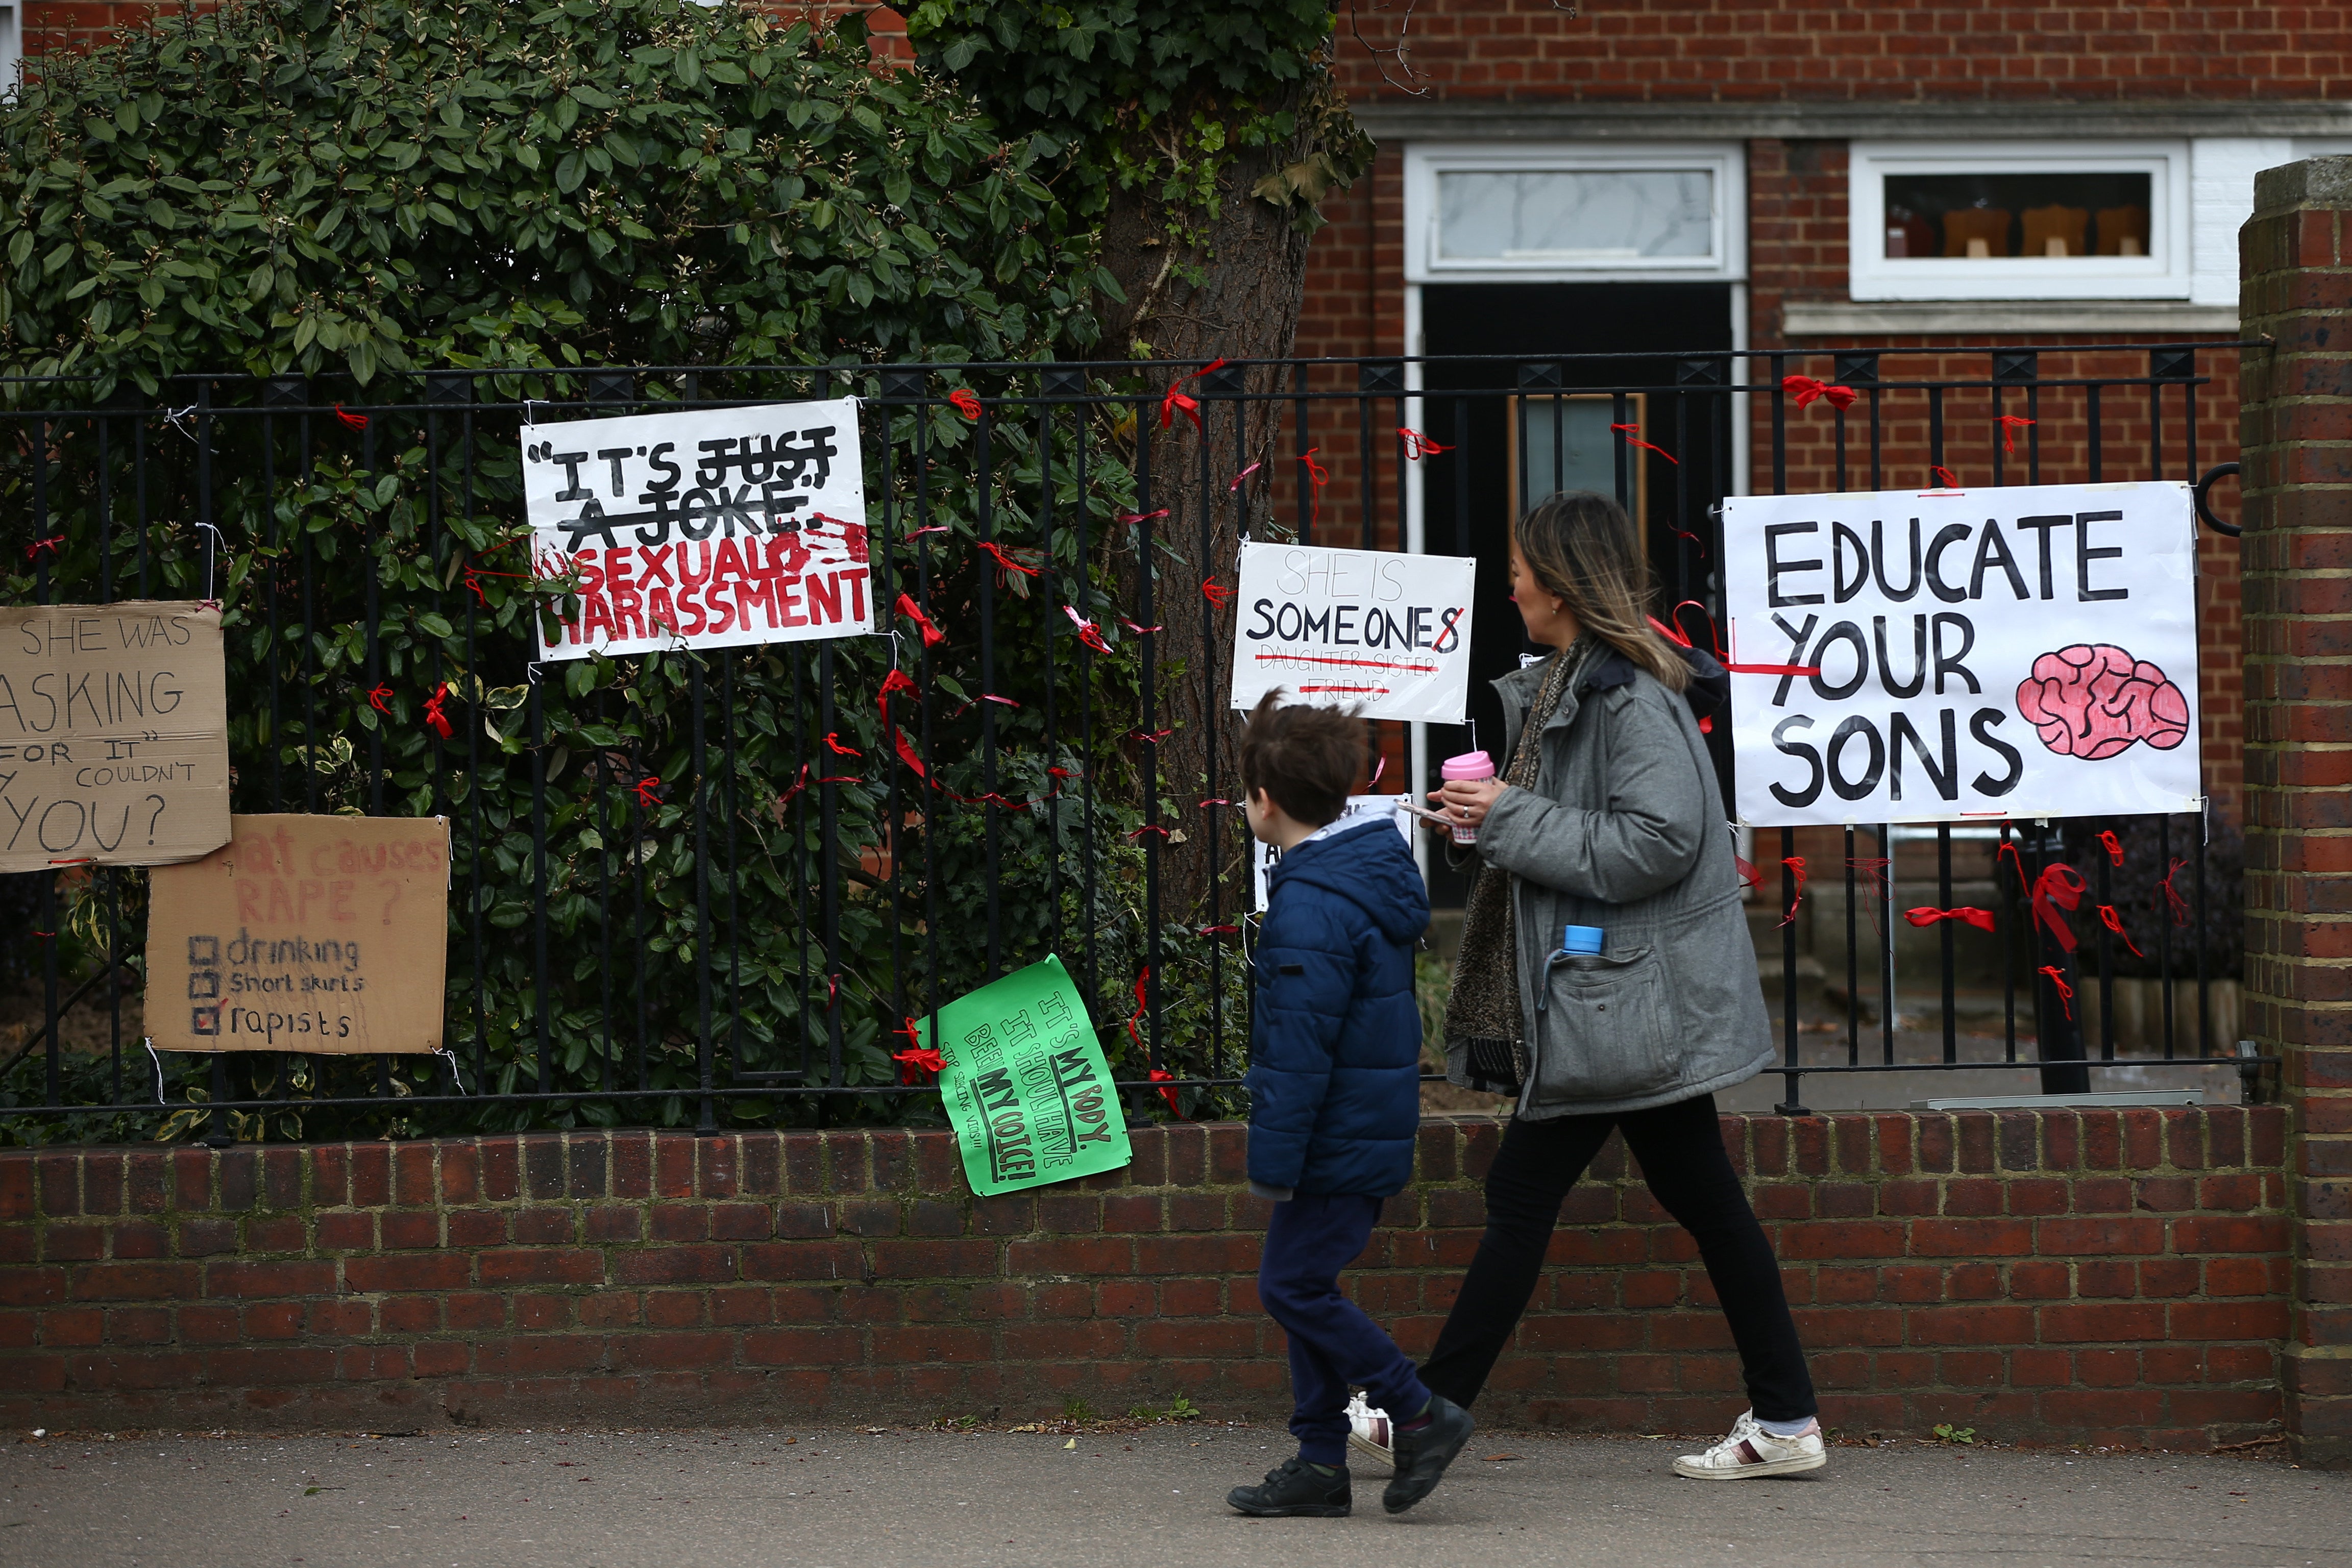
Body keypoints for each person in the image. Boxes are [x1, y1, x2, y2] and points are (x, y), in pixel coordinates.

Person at [1352, 489, 1825, 1482]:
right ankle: (1786, 1420)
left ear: (1561, 584)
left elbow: (1658, 842)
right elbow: (1587, 824)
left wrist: (1513, 818)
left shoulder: (1626, 698)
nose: (1511, 581)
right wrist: (1489, 819)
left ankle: (1425, 1414)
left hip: (1618, 1000)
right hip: (1613, 994)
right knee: (1701, 1199)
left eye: (1523, 566)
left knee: (1527, 1192)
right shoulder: (1581, 683)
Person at [1223, 691, 1476, 1520]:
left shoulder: (1309, 905)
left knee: (1290, 1287)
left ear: (1265, 798)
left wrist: (1274, 1160)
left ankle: (1417, 1411)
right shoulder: (1354, 880)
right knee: (1305, 1281)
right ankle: (1321, 1462)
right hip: (1359, 1129)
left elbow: (1300, 1053)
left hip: (1330, 1137)